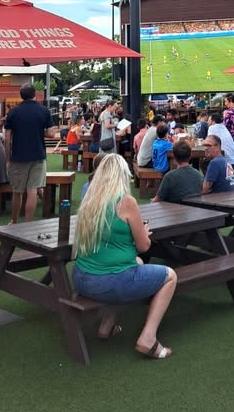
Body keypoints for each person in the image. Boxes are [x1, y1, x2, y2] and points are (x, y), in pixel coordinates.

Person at [72, 153, 177, 359]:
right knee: (171, 275)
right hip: (108, 282)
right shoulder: (126, 202)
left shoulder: (89, 201)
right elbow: (144, 246)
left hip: (81, 277)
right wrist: (142, 233)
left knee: (134, 262)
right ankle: (148, 337)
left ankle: (107, 325)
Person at [4, 83, 57, 223]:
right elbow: (52, 133)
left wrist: (8, 158)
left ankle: (14, 221)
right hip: (38, 154)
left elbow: (7, 138)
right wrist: (41, 131)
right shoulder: (44, 111)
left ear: (21, 95)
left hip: (18, 156)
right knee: (33, 190)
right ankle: (28, 223)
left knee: (17, 191)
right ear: (35, 94)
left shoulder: (13, 112)